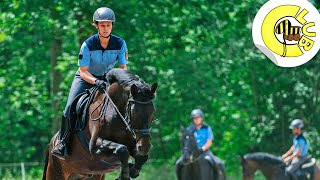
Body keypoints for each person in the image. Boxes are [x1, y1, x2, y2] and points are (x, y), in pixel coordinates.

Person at [51, 7, 129, 160]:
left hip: (107, 79)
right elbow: (83, 71)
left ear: (112, 25)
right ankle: (62, 143)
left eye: (108, 25)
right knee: (68, 108)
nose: (105, 28)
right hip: (85, 79)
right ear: (96, 26)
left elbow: (122, 69)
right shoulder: (87, 45)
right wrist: (95, 81)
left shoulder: (120, 44)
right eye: (102, 25)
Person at [176, 109, 225, 179]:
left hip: (204, 151)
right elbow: (186, 141)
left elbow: (209, 142)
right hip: (191, 152)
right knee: (178, 163)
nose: (196, 120)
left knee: (218, 163)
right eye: (194, 118)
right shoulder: (189, 129)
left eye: (198, 118)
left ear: (201, 118)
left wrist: (201, 149)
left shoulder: (207, 128)